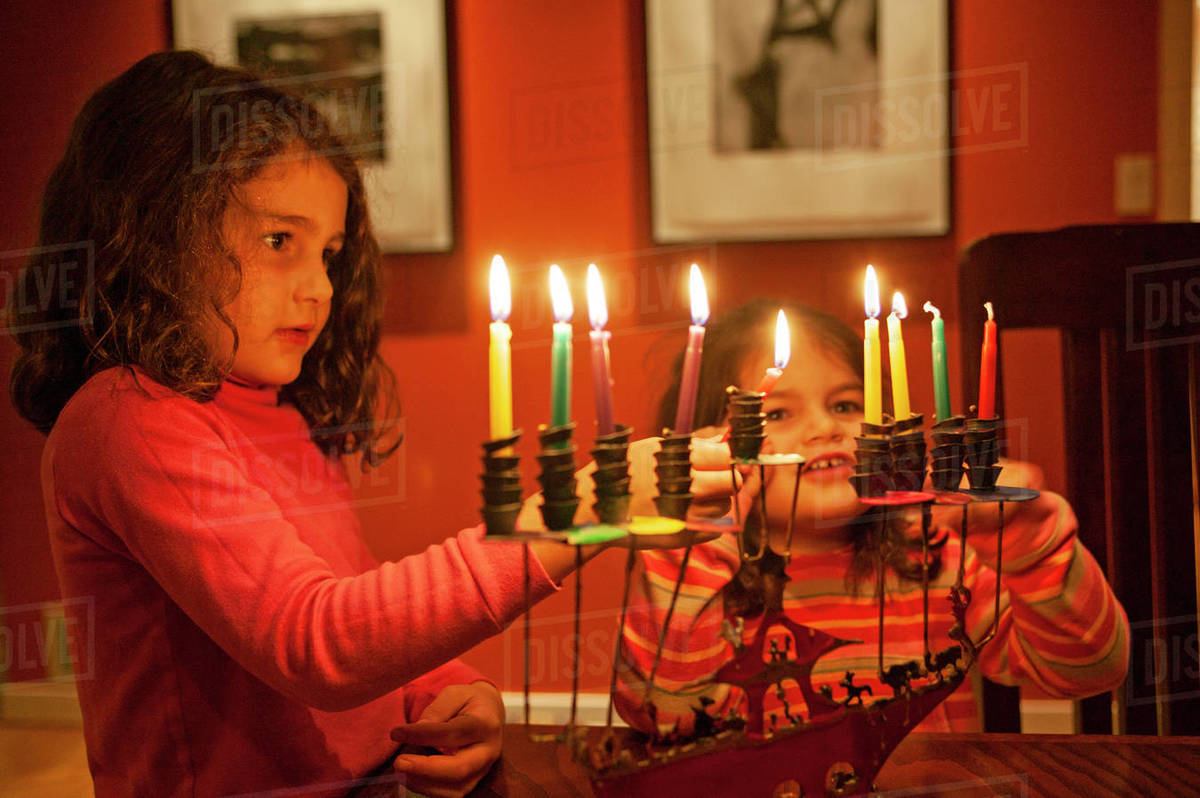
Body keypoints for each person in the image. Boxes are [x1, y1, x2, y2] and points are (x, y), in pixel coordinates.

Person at [7, 51, 605, 798]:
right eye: (279, 242)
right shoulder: (129, 419)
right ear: (156, 234)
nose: (321, 287)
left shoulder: (276, 409)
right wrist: (570, 518)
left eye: (328, 253)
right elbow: (316, 639)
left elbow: (350, 598)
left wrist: (451, 694)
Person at [611, 298, 1130, 737]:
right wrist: (699, 538)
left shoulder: (936, 550)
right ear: (707, 449)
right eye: (775, 413)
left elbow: (1088, 671)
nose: (825, 429)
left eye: (844, 405)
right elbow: (659, 716)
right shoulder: (695, 573)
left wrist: (1031, 546)